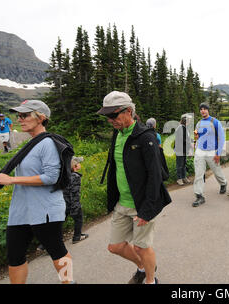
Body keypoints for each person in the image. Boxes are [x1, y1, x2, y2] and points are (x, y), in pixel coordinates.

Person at [0, 100, 75, 284]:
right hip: (21, 211)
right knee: (14, 257)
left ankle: (69, 282)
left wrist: (12, 179)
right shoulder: (31, 143)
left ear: (41, 118)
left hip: (45, 210)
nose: (20, 119)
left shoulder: (48, 143)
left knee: (57, 251)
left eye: (25, 115)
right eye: (19, 115)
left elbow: (51, 177)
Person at [98, 91, 172, 284]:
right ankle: (144, 266)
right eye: (107, 116)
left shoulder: (145, 137)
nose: (110, 120)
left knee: (141, 247)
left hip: (142, 204)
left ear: (128, 111)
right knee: (115, 246)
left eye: (113, 115)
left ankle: (150, 280)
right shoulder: (118, 134)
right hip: (122, 203)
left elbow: (155, 176)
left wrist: (147, 210)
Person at [192, 102, 227, 207]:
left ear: (208, 110)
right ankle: (199, 196)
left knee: (216, 170)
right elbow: (198, 136)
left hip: (212, 151)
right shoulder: (198, 123)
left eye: (204, 109)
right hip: (200, 151)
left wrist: (218, 153)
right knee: (198, 173)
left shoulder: (215, 122)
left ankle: (223, 183)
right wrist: (196, 139)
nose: (202, 111)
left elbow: (221, 138)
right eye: (201, 109)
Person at [63, 156, 89, 244]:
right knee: (79, 218)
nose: (80, 164)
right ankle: (77, 236)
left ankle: (47, 243)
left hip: (63, 203)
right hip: (71, 203)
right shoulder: (75, 177)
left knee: (60, 222)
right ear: (75, 166)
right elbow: (74, 193)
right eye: (78, 163)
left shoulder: (65, 176)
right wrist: (75, 206)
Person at [174, 114, 193, 186]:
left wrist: (191, 140)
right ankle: (179, 179)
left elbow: (187, 137)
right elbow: (183, 139)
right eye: (189, 121)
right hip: (179, 149)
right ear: (185, 121)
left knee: (184, 164)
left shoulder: (185, 128)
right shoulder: (180, 128)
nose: (189, 122)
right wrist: (190, 143)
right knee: (179, 164)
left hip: (184, 149)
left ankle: (184, 177)